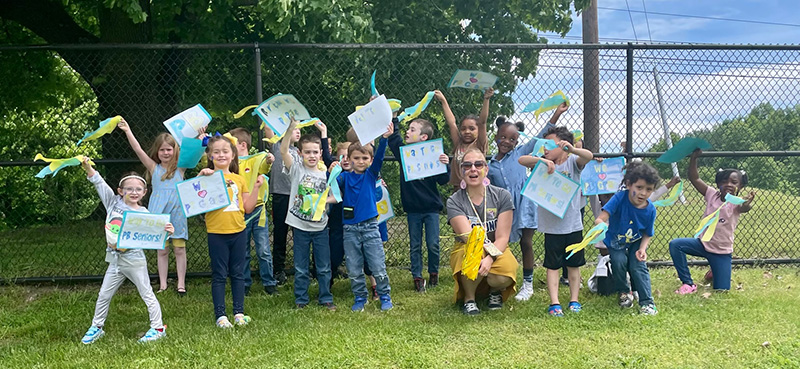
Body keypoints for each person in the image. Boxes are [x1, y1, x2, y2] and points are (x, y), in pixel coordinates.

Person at [79, 158, 170, 344]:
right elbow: (98, 182)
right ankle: (97, 327)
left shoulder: (144, 214)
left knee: (146, 292)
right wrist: (88, 167)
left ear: (144, 192)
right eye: (129, 189)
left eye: (138, 189)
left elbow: (155, 237)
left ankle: (158, 327)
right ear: (121, 191)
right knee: (104, 294)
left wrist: (167, 232)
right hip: (114, 260)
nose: (133, 192)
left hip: (134, 260)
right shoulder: (113, 203)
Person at [519, 126, 593, 317]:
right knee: (552, 265)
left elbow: (588, 156)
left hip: (573, 225)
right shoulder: (542, 164)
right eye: (544, 145)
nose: (545, 149)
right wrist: (541, 160)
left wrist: (573, 149)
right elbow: (522, 160)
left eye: (550, 145)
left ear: (562, 144)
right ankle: (555, 302)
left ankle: (574, 300)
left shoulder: (572, 164)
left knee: (574, 265)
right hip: (551, 228)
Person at [118, 118, 189, 296]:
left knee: (179, 248)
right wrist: (127, 131)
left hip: (178, 214)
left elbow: (195, 150)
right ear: (157, 152)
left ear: (175, 150)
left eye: (169, 149)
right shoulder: (153, 168)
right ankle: (163, 284)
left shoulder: (181, 169)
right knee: (162, 250)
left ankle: (181, 284)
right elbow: (138, 149)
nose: (166, 153)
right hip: (158, 215)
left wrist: (201, 135)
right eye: (162, 149)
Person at [198, 135, 263, 327]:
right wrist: (201, 177)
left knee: (238, 273)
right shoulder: (207, 176)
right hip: (217, 232)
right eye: (216, 152)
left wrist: (257, 187)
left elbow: (248, 207)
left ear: (233, 155)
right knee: (219, 274)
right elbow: (195, 199)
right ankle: (220, 315)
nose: (221, 155)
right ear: (209, 156)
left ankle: (238, 313)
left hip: (238, 231)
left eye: (225, 151)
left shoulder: (239, 179)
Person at [669, 149, 755, 293]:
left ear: (740, 187)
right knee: (675, 245)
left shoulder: (737, 203)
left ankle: (715, 270)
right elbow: (694, 178)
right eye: (724, 181)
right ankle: (688, 283)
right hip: (702, 244)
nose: (728, 184)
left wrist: (747, 203)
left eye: (734, 182)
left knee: (722, 290)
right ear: (718, 184)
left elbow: (745, 208)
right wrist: (694, 158)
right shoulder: (711, 194)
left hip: (722, 252)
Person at [488, 116, 553, 302]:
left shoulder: (520, 153)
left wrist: (556, 114)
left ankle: (528, 284)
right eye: (503, 137)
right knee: (500, 242)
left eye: (512, 139)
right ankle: (499, 281)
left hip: (525, 203)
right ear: (496, 137)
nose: (506, 142)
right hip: (505, 209)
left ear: (517, 142)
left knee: (526, 242)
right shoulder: (490, 166)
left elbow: (540, 136)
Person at [447, 149, 517, 315]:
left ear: (486, 169)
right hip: (469, 247)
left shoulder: (502, 196)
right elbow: (468, 238)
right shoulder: (454, 201)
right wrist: (483, 258)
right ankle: (469, 299)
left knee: (504, 274)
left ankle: (494, 292)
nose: (473, 169)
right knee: (471, 256)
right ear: (461, 171)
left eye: (478, 164)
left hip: (496, 247)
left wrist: (491, 258)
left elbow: (502, 237)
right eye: (467, 165)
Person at [334, 122, 395, 312]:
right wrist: (334, 169)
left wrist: (384, 139)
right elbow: (331, 185)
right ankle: (360, 297)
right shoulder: (344, 177)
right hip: (350, 229)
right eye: (356, 158)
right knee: (353, 267)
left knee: (377, 265)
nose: (361, 161)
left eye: (364, 158)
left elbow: (379, 158)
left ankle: (384, 295)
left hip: (370, 227)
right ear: (349, 159)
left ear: (369, 160)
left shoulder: (371, 175)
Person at [387, 117, 450, 292]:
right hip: (413, 210)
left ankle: (433, 274)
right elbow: (394, 139)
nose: (408, 132)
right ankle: (417, 277)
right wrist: (394, 120)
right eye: (408, 129)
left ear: (424, 137)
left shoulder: (433, 155)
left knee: (433, 244)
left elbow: (444, 180)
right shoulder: (405, 155)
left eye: (413, 129)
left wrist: (446, 164)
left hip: (431, 210)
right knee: (415, 244)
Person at [281, 119, 335, 310]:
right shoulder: (296, 169)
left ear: (321, 153)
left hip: (320, 227)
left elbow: (337, 197)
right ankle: (301, 300)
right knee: (301, 267)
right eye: (307, 152)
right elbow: (283, 151)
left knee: (323, 266)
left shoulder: (326, 174)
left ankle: (326, 297)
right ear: (301, 153)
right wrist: (290, 130)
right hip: (300, 227)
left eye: (315, 152)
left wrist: (321, 201)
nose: (311, 156)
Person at [594, 162, 660, 315]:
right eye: (639, 188)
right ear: (629, 185)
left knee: (638, 266)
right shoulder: (619, 198)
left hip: (636, 242)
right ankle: (624, 292)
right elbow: (601, 218)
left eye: (649, 189)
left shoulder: (650, 210)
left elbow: (647, 233)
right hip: (616, 241)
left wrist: (642, 249)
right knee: (619, 262)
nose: (643, 193)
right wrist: (601, 225)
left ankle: (647, 303)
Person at [228, 128, 277, 296]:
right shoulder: (230, 164)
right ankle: (245, 284)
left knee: (263, 250)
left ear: (242, 144)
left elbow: (265, 165)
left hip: (257, 212)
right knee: (243, 251)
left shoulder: (256, 158)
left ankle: (269, 284)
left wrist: (269, 160)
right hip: (239, 212)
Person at [264, 124, 302, 286]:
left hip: (298, 197)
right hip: (281, 196)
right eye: (294, 129)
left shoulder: (300, 152)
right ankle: (278, 269)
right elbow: (267, 128)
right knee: (280, 233)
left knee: (299, 234)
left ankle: (301, 267)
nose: (298, 131)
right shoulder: (277, 146)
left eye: (299, 129)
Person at [437, 88, 494, 187]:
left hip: (475, 188)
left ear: (478, 130)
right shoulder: (459, 143)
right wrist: (443, 100)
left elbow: (482, 122)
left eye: (472, 129)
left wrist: (486, 99)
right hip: (458, 189)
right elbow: (451, 123)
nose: (467, 132)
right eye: (463, 129)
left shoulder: (479, 144)